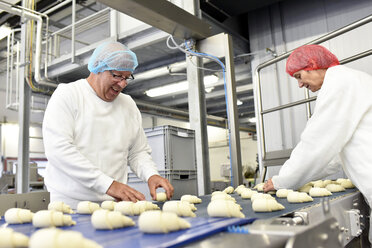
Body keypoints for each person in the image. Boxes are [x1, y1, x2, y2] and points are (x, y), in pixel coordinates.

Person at [43, 41, 174, 208]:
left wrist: (151, 175)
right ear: (98, 68)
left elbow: (137, 152)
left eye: (127, 77)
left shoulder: (128, 104)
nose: (123, 84)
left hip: (113, 205)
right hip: (70, 204)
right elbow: (59, 150)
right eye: (117, 75)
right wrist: (109, 185)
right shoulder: (68, 95)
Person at [263, 44, 372, 242]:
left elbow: (317, 143)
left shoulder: (339, 82)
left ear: (312, 65)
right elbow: (335, 154)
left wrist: (282, 181)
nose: (300, 85)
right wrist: (297, 179)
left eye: (298, 76)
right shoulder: (352, 81)